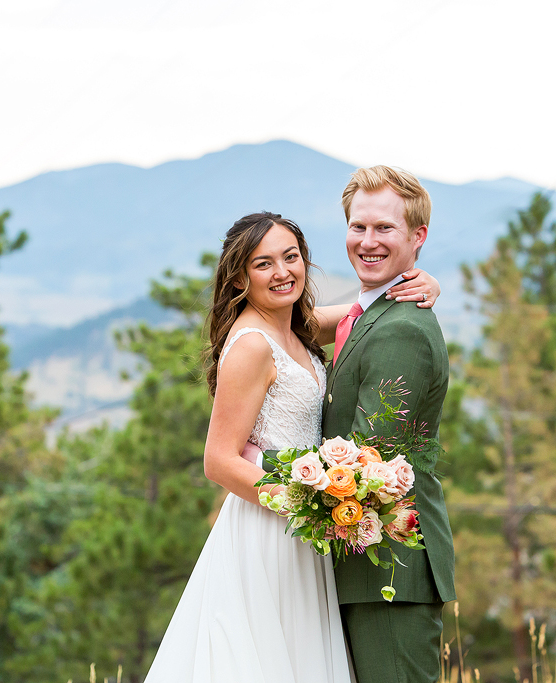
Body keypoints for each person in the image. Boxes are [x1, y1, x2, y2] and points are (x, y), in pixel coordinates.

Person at [142, 211, 440, 683]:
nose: (282, 272)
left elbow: (360, 315)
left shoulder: (294, 326)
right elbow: (218, 461)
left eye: (291, 257)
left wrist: (417, 283)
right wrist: (309, 503)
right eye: (264, 264)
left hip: (307, 529)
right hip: (270, 529)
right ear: (240, 276)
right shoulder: (253, 345)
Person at [321, 166, 456, 683]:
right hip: (363, 563)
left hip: (390, 568)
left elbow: (364, 462)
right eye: (359, 227)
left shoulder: (402, 330)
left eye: (385, 229)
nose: (367, 241)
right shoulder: (371, 313)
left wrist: (256, 465)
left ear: (418, 237)